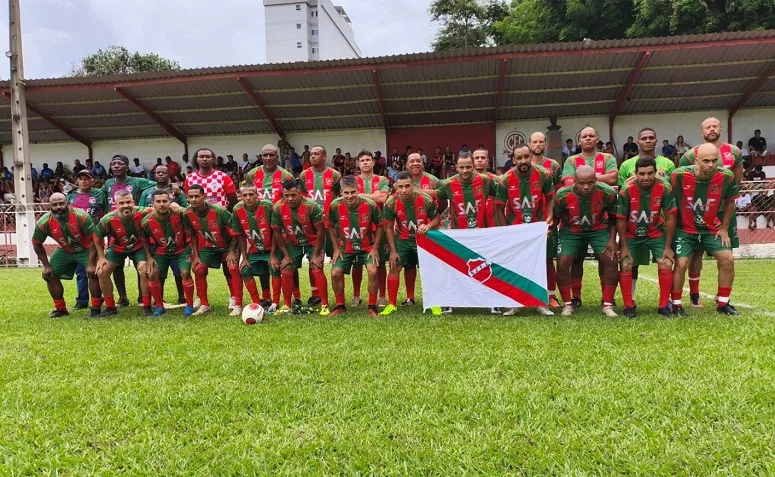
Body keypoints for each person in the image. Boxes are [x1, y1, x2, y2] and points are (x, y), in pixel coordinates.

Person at [678, 117, 743, 308]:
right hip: (698, 212)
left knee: (724, 253)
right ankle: (695, 295)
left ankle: (721, 297)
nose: (712, 129)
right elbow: (683, 183)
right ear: (701, 131)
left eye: (715, 126)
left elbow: (736, 182)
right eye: (708, 127)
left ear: (721, 129)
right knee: (695, 253)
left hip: (723, 213)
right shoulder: (689, 155)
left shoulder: (734, 151)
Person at [617, 127, 676, 308]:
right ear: (635, 173)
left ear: (656, 172)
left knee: (666, 262)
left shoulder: (664, 187)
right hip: (632, 233)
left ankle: (664, 305)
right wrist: (624, 246)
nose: (646, 177)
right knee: (627, 264)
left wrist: (668, 246)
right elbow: (620, 218)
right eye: (641, 174)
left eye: (650, 173)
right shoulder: (626, 189)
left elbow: (671, 216)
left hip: (655, 231)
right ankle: (629, 305)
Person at [494, 144, 555, 316]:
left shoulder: (544, 174)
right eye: (519, 158)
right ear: (513, 160)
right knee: (516, 265)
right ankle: (515, 303)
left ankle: (541, 302)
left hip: (538, 228)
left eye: (526, 157)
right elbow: (499, 208)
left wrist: (549, 218)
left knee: (540, 264)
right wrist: (506, 230)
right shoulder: (504, 179)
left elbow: (551, 198)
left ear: (531, 157)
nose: (523, 161)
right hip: (516, 228)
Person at [560, 127, 618, 308]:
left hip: (599, 222)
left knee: (606, 258)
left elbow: (615, 178)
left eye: (591, 135)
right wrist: (597, 179)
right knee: (575, 259)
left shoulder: (608, 158)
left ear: (597, 139)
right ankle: (575, 297)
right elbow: (568, 182)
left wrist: (590, 179)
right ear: (579, 141)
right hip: (574, 222)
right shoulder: (571, 160)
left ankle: (607, 298)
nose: (588, 138)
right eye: (584, 136)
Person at [435, 152, 498, 314]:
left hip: (481, 231)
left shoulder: (485, 180)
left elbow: (498, 196)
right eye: (461, 167)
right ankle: (449, 302)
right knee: (454, 267)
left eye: (468, 167)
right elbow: (439, 200)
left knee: (486, 265)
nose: (465, 171)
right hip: (458, 233)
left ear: (474, 167)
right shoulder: (448, 184)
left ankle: (492, 301)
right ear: (456, 167)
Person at [554, 166, 619, 317]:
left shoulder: (608, 193)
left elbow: (614, 218)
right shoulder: (562, 195)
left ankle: (608, 304)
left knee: (611, 259)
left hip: (599, 229)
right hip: (571, 231)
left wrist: (611, 240)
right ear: (574, 181)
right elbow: (556, 217)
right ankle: (568, 304)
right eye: (582, 183)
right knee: (563, 261)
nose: (586, 187)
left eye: (590, 183)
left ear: (596, 180)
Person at [185, 148, 240, 308]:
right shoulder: (190, 178)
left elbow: (232, 200)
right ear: (197, 159)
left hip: (220, 225)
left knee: (227, 263)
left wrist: (223, 218)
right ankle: (200, 297)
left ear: (213, 159)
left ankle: (233, 297)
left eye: (208, 156)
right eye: (201, 156)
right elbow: (190, 200)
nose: (204, 159)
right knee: (200, 264)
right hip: (201, 228)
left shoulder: (222, 177)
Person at [31, 193, 101, 318]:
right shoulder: (44, 222)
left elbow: (93, 240)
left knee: (94, 272)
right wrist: (46, 265)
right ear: (50, 207)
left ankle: (96, 308)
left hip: (86, 249)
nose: (58, 207)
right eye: (55, 204)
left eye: (61, 203)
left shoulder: (81, 216)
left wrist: (91, 263)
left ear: (68, 204)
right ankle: (60, 309)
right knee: (49, 274)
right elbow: (36, 243)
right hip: (65, 250)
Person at [381, 171, 440, 316]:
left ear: (414, 186)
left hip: (424, 240)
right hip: (402, 240)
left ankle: (435, 303)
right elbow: (388, 227)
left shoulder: (426, 199)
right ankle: (392, 304)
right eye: (400, 187)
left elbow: (437, 219)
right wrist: (393, 251)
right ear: (396, 187)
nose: (404, 190)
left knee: (430, 270)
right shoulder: (390, 203)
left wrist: (428, 225)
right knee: (395, 268)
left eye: (407, 186)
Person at [101, 154, 157, 307]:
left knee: (142, 266)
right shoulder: (107, 184)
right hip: (114, 227)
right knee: (116, 267)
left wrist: (144, 198)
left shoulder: (137, 181)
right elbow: (100, 197)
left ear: (127, 167)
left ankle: (142, 297)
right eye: (113, 164)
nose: (116, 166)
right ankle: (122, 298)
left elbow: (155, 184)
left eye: (120, 164)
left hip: (134, 223)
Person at [327, 176, 383, 317]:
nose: (350, 196)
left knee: (373, 271)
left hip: (367, 248)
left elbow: (381, 225)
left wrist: (375, 247)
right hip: (345, 248)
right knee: (335, 273)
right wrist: (335, 248)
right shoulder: (334, 205)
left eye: (353, 192)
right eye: (346, 193)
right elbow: (331, 226)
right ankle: (340, 306)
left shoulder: (370, 205)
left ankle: (372, 306)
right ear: (341, 192)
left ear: (358, 191)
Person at [271, 179, 329, 315]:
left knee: (316, 267)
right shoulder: (277, 208)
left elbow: (321, 231)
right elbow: (277, 232)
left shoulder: (312, 206)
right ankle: (286, 305)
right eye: (286, 196)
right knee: (286, 268)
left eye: (293, 195)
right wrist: (285, 255)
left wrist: (316, 254)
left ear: (299, 193)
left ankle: (325, 304)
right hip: (293, 243)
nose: (290, 199)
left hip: (314, 242)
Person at [182, 184, 239, 316]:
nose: (194, 199)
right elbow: (193, 234)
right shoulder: (187, 213)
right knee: (198, 268)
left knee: (232, 268)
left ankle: (236, 302)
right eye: (191, 197)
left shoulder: (219, 211)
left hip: (228, 245)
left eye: (197, 196)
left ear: (204, 196)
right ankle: (204, 304)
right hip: (210, 246)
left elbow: (236, 231)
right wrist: (195, 255)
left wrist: (231, 252)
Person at [94, 189, 152, 317]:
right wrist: (101, 257)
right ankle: (110, 307)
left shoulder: (144, 212)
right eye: (122, 203)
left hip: (139, 247)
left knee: (144, 269)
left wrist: (174, 205)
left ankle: (147, 306)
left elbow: (161, 208)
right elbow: (97, 238)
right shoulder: (108, 219)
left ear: (133, 202)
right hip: (117, 248)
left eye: (128, 202)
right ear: (116, 204)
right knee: (102, 272)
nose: (126, 205)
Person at [141, 189, 195, 317]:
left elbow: (192, 213)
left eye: (165, 201)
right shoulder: (146, 222)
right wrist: (148, 257)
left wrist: (180, 207)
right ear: (153, 204)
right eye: (158, 201)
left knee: (185, 273)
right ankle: (159, 307)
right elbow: (144, 241)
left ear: (170, 202)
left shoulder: (179, 214)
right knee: (153, 274)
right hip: (161, 251)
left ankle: (189, 305)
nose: (162, 204)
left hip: (182, 249)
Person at [299, 145, 341, 308]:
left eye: (317, 154)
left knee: (337, 259)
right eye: (311, 154)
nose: (313, 157)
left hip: (332, 225)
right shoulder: (304, 175)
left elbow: (340, 197)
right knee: (314, 259)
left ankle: (340, 297)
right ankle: (315, 294)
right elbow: (302, 197)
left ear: (324, 156)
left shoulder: (335, 175)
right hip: (313, 226)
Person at [139, 165, 188, 304]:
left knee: (179, 271)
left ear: (169, 174)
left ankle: (182, 297)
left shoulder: (177, 191)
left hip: (176, 234)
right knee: (159, 273)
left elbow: (186, 208)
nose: (160, 174)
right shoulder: (147, 192)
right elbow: (141, 210)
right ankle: (158, 301)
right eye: (158, 172)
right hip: (156, 237)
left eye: (164, 172)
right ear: (154, 174)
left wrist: (178, 206)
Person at [352, 150, 391, 308]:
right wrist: (373, 195)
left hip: (378, 226)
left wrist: (360, 195)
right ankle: (356, 296)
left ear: (374, 163)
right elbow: (350, 196)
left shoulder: (382, 179)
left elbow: (383, 198)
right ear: (358, 164)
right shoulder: (353, 180)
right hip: (356, 226)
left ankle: (382, 296)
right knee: (356, 263)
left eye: (368, 160)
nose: (366, 162)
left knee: (380, 262)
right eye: (362, 160)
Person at [231, 184, 278, 316]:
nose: (248, 198)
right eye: (244, 195)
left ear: (257, 195)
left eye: (251, 194)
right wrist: (244, 258)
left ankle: (275, 303)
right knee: (244, 269)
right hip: (254, 250)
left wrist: (274, 254)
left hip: (271, 249)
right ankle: (257, 303)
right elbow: (239, 234)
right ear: (240, 197)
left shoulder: (267, 206)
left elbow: (276, 231)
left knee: (275, 267)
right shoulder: (237, 209)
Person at [66, 169, 108, 311]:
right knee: (81, 271)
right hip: (77, 238)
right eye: (81, 178)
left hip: (94, 237)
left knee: (96, 270)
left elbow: (106, 213)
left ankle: (98, 299)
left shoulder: (99, 194)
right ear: (77, 181)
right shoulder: (70, 195)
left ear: (92, 180)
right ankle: (82, 300)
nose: (83, 181)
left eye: (86, 178)